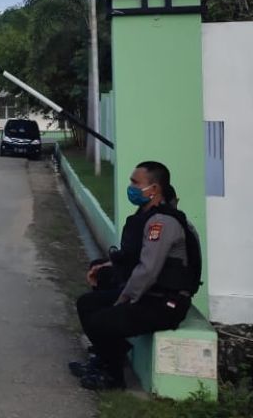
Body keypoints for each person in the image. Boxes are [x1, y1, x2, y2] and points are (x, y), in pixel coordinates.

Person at [70, 162, 202, 390]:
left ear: (154, 189)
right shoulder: (148, 216)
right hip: (151, 294)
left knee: (101, 320)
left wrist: (123, 298)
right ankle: (105, 359)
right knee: (87, 304)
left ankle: (113, 377)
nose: (130, 186)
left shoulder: (162, 222)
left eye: (135, 182)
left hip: (165, 303)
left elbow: (148, 269)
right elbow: (135, 257)